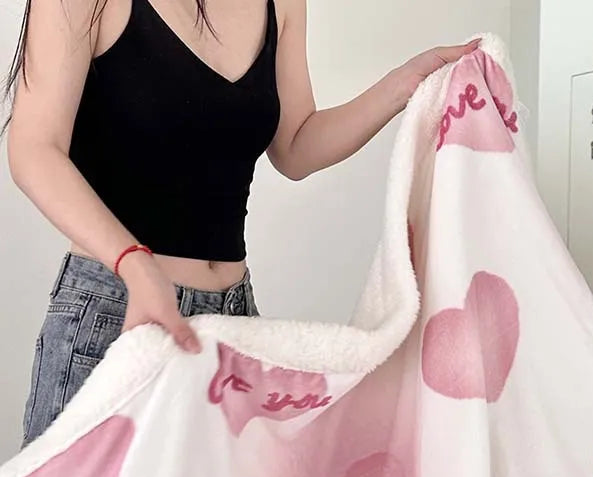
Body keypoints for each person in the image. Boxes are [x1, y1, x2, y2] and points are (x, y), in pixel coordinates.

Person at [2, 0, 479, 446]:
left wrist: (405, 84)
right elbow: (34, 148)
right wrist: (134, 264)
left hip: (231, 321)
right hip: (118, 316)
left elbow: (295, 145)